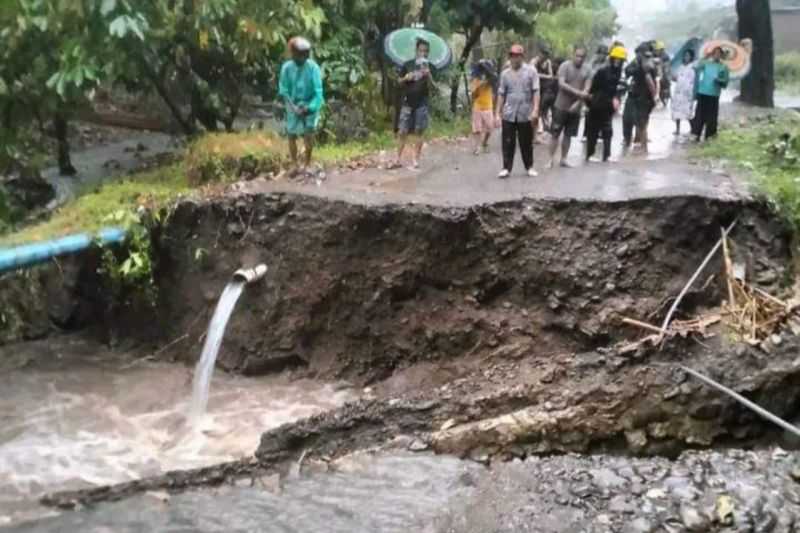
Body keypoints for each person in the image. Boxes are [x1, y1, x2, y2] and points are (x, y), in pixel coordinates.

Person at [278, 37, 324, 177]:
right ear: (293, 53)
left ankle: (307, 163)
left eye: (306, 54)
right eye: (300, 54)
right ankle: (294, 164)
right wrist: (293, 108)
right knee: (291, 134)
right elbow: (283, 90)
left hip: (309, 103)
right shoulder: (286, 68)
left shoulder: (313, 68)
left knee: (308, 134)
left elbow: (318, 92)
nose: (303, 57)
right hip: (293, 103)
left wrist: (309, 108)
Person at [495, 44, 540, 179]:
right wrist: (497, 113)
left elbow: (536, 91)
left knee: (526, 142)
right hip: (509, 112)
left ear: (522, 57)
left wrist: (536, 109)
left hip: (525, 112)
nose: (515, 58)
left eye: (518, 56)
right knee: (508, 142)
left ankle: (529, 166)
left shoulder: (531, 72)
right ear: (510, 57)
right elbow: (501, 93)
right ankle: (506, 168)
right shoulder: (505, 74)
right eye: (513, 56)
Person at [391, 38, 433, 169]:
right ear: (416, 50)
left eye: (426, 51)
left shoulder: (428, 66)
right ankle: (397, 158)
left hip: (422, 102)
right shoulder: (407, 64)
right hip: (407, 102)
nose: (423, 53)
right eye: (421, 50)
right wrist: (405, 78)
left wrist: (429, 75)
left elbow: (433, 87)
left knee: (419, 131)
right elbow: (398, 82)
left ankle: (415, 159)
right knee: (402, 131)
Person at [547, 46, 592, 169]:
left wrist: (578, 103)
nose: (579, 59)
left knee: (568, 134)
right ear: (573, 55)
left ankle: (564, 158)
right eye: (577, 56)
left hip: (575, 108)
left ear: (585, 58)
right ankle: (550, 159)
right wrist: (578, 93)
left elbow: (587, 88)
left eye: (582, 57)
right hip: (560, 105)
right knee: (555, 133)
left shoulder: (587, 69)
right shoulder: (565, 66)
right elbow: (561, 84)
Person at [585, 46, 627, 163]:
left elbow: (620, 88)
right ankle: (590, 154)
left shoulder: (618, 73)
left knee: (607, 130)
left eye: (621, 60)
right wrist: (589, 102)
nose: (618, 62)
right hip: (597, 103)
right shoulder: (603, 71)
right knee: (593, 130)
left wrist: (616, 98)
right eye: (617, 59)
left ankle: (607, 155)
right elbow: (593, 88)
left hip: (608, 105)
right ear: (612, 58)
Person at [622, 43, 658, 153]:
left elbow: (651, 82)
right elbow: (627, 71)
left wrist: (654, 96)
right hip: (635, 95)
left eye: (638, 53)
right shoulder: (638, 62)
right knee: (629, 120)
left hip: (643, 97)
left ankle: (643, 147)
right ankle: (630, 142)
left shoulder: (647, 63)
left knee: (641, 122)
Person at [692, 46, 729, 141]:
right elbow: (695, 66)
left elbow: (725, 83)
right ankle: (696, 134)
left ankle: (710, 136)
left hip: (714, 94)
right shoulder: (706, 64)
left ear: (721, 55)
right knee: (699, 115)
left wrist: (719, 80)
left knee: (712, 117)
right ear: (712, 54)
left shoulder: (724, 67)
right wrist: (705, 56)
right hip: (703, 92)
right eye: (715, 53)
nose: (717, 55)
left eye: (718, 53)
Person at [470, 59, 496, 155]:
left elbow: (494, 80)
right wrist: (478, 84)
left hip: (488, 106)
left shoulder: (490, 78)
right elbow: (472, 92)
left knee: (490, 128)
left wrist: (486, 69)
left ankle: (484, 142)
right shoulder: (475, 78)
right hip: (477, 106)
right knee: (477, 129)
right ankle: (478, 147)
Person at [671, 49, 697, 136]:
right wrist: (674, 78)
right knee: (677, 112)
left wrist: (690, 93)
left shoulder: (692, 68)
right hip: (678, 92)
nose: (686, 57)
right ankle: (677, 129)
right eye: (685, 56)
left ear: (691, 57)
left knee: (687, 113)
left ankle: (693, 129)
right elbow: (677, 78)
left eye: (688, 56)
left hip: (686, 93)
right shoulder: (681, 67)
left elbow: (691, 81)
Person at [531, 48, 556, 139]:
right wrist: (545, 76)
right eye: (544, 54)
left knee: (539, 112)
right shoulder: (534, 61)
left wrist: (541, 76)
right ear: (540, 53)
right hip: (533, 90)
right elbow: (533, 74)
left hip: (544, 90)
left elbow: (551, 75)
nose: (545, 57)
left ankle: (534, 136)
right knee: (534, 112)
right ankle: (531, 134)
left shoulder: (548, 62)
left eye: (546, 55)